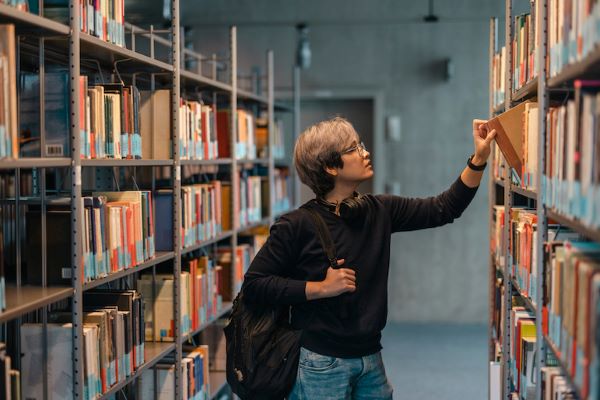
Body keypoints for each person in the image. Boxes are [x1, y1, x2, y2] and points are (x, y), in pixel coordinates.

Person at [241, 116, 496, 399]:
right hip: (319, 362)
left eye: (361, 145)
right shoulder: (296, 225)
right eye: (354, 148)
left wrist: (479, 158)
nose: (365, 152)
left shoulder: (379, 210)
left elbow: (444, 208)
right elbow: (254, 284)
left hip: (371, 357)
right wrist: (319, 288)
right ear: (330, 166)